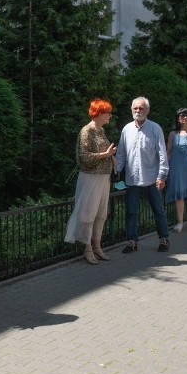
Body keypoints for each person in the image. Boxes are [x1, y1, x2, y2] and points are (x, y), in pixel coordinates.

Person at [114, 97, 170, 253]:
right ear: (131, 110)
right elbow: (121, 154)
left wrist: (162, 176)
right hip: (132, 180)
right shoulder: (126, 129)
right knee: (131, 212)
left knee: (158, 210)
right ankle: (132, 241)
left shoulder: (155, 128)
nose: (138, 111)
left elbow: (162, 154)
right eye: (135, 108)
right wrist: (116, 172)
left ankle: (164, 239)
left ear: (148, 110)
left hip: (152, 178)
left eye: (141, 108)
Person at [64, 99, 116, 264]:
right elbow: (83, 158)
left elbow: (103, 151)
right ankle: (87, 248)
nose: (110, 116)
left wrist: (111, 158)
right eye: (108, 113)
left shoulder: (100, 130)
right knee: (89, 213)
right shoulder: (87, 130)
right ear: (100, 114)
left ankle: (97, 246)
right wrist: (105, 156)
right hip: (90, 178)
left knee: (101, 213)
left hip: (103, 177)